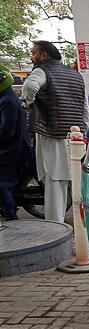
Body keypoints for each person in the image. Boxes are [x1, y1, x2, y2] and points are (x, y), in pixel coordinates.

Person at [21, 40, 89, 223]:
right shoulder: (75, 75)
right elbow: (84, 109)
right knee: (77, 181)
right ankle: (84, 224)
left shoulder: (43, 71)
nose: (32, 56)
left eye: (34, 52)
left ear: (44, 55)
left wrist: (27, 102)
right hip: (75, 136)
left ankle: (55, 227)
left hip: (53, 133)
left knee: (54, 181)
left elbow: (30, 86)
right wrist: (84, 129)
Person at [0, 65, 27, 220]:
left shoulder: (7, 101)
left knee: (2, 183)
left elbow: (7, 131)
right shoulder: (6, 97)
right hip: (14, 144)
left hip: (10, 148)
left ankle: (10, 214)